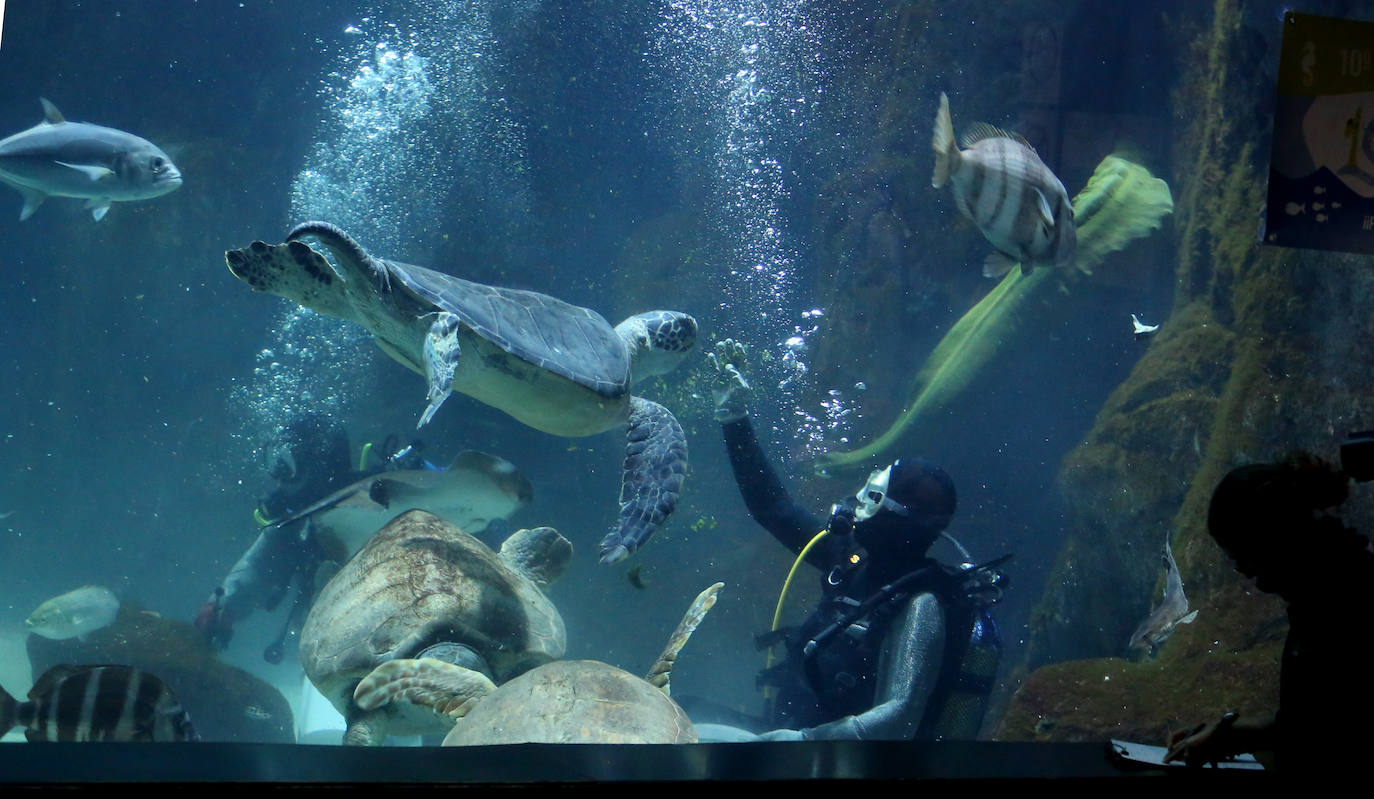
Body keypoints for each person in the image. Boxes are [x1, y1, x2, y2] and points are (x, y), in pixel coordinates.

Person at [699, 339, 1006, 742]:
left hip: (836, 760)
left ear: (899, 518)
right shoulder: (846, 558)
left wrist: (804, 744)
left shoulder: (920, 603)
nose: (854, 503)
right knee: (684, 713)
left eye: (871, 496)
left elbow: (901, 716)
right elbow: (772, 507)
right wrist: (734, 420)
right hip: (789, 738)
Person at [1165, 450, 1374, 772]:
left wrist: (1230, 736)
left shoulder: (1342, 606)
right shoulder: (1330, 590)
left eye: (1240, 555)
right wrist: (1222, 734)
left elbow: (1332, 733)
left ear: (1272, 540)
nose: (1242, 570)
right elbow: (1309, 720)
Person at [195, 414, 427, 660]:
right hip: (345, 645)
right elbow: (259, 564)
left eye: (286, 464)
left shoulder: (389, 493)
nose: (276, 477)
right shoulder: (294, 527)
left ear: (317, 465)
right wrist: (222, 607)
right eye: (273, 461)